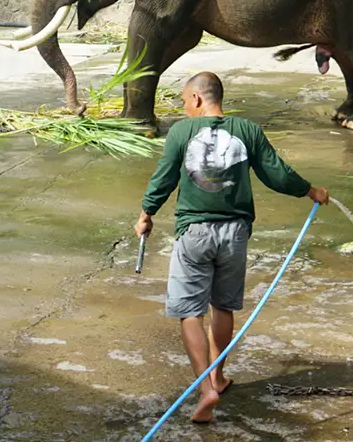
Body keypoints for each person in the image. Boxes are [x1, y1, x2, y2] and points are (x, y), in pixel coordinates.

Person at [133, 72, 329, 425]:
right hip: (235, 234)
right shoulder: (248, 131)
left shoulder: (180, 132)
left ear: (195, 99)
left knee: (189, 312)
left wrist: (146, 213)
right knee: (222, 306)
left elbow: (163, 177)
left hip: (194, 232)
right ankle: (218, 377)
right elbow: (276, 173)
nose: (184, 107)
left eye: (182, 101)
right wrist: (309, 190)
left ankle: (204, 387)